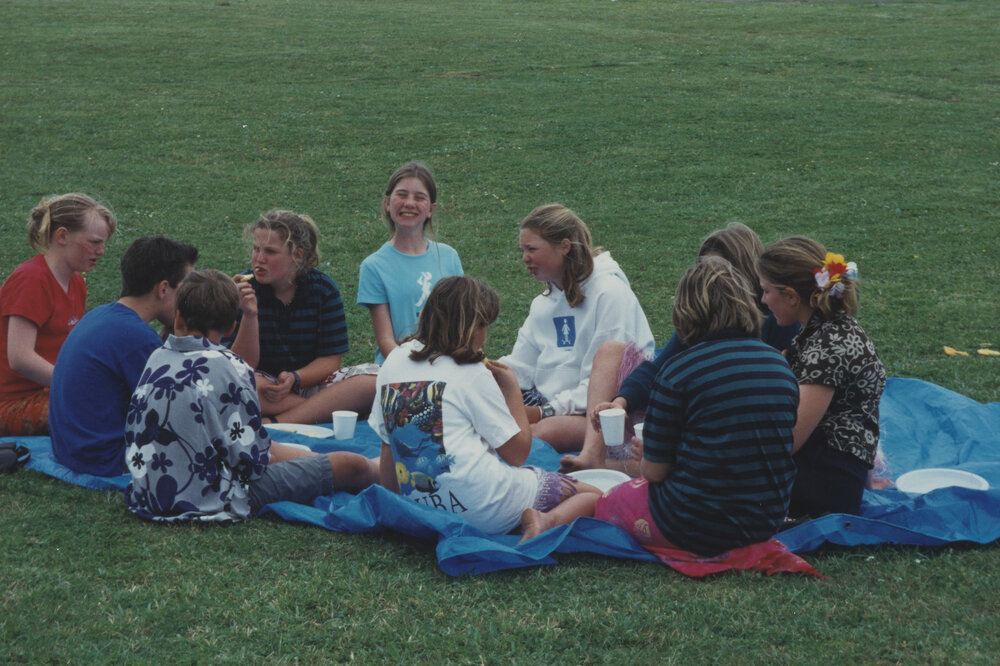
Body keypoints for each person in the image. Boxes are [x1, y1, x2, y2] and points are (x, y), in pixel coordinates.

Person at [521, 256, 799, 557]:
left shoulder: (679, 372)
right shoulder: (780, 366)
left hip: (692, 526)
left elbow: (654, 473)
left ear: (686, 311)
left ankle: (546, 520)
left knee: (601, 497)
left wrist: (649, 452)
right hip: (765, 520)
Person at [124, 270, 378, 522]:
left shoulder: (157, 357)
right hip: (212, 497)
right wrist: (312, 460)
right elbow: (254, 461)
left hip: (148, 493)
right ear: (232, 325)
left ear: (178, 318)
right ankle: (380, 470)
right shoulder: (229, 366)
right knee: (349, 464)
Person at [370, 276, 602, 535]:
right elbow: (516, 454)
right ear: (473, 328)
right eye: (485, 327)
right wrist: (512, 390)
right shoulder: (472, 372)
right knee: (592, 495)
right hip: (485, 511)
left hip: (418, 509)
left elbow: (388, 446)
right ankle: (542, 521)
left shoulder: (393, 362)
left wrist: (397, 507)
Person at [561, 222, 800, 473]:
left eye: (717, 273)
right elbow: (658, 367)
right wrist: (621, 402)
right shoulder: (704, 323)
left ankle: (605, 468)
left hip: (729, 437)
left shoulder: (777, 320)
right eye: (703, 270)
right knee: (611, 352)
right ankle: (593, 457)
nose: (708, 281)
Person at [498, 204, 654, 453]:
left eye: (532, 249)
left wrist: (542, 413)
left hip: (604, 414)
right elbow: (520, 367)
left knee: (537, 436)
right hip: (551, 406)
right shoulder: (543, 303)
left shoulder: (608, 293)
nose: (524, 258)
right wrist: (479, 372)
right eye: (523, 250)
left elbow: (605, 384)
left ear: (564, 246)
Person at [758, 237, 886, 518]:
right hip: (838, 477)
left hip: (824, 488)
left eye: (767, 291)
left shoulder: (825, 350)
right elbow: (862, 417)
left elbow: (789, 442)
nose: (764, 300)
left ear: (791, 296)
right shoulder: (834, 328)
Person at [49, 236, 198, 476]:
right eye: (186, 290)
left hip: (71, 452)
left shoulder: (103, 315)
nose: (190, 299)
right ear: (163, 288)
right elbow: (179, 409)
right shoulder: (134, 336)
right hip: (107, 459)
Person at [227, 210, 377, 424]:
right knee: (239, 383)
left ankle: (277, 422)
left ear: (297, 255)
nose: (259, 259)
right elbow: (238, 365)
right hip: (264, 387)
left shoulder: (322, 289)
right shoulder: (243, 289)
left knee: (373, 381)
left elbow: (330, 359)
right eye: (256, 249)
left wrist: (295, 378)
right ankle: (319, 411)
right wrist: (249, 314)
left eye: (270, 251)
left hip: (309, 385)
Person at [0, 193, 116, 436]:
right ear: (62, 236)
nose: (102, 251)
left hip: (47, 390)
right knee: (104, 411)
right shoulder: (31, 280)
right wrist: (76, 384)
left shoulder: (76, 283)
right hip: (12, 403)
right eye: (94, 242)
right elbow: (19, 358)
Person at [357, 162, 464, 364]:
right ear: (387, 203)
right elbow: (386, 341)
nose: (409, 203)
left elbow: (462, 324)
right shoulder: (374, 266)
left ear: (431, 209)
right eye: (402, 195)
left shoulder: (449, 257)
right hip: (400, 368)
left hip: (447, 365)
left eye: (419, 197)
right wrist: (414, 368)